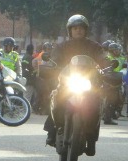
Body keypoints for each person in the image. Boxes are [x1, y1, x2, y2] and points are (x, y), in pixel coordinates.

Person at [44, 14, 105, 148]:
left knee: (96, 102)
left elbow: (102, 59)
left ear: (86, 30)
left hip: (88, 82)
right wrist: (50, 66)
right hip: (68, 81)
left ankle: (91, 136)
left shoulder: (94, 46)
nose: (78, 30)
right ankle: (53, 130)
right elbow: (54, 60)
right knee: (57, 98)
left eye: (81, 28)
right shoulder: (62, 47)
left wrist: (107, 67)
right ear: (70, 30)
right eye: (75, 28)